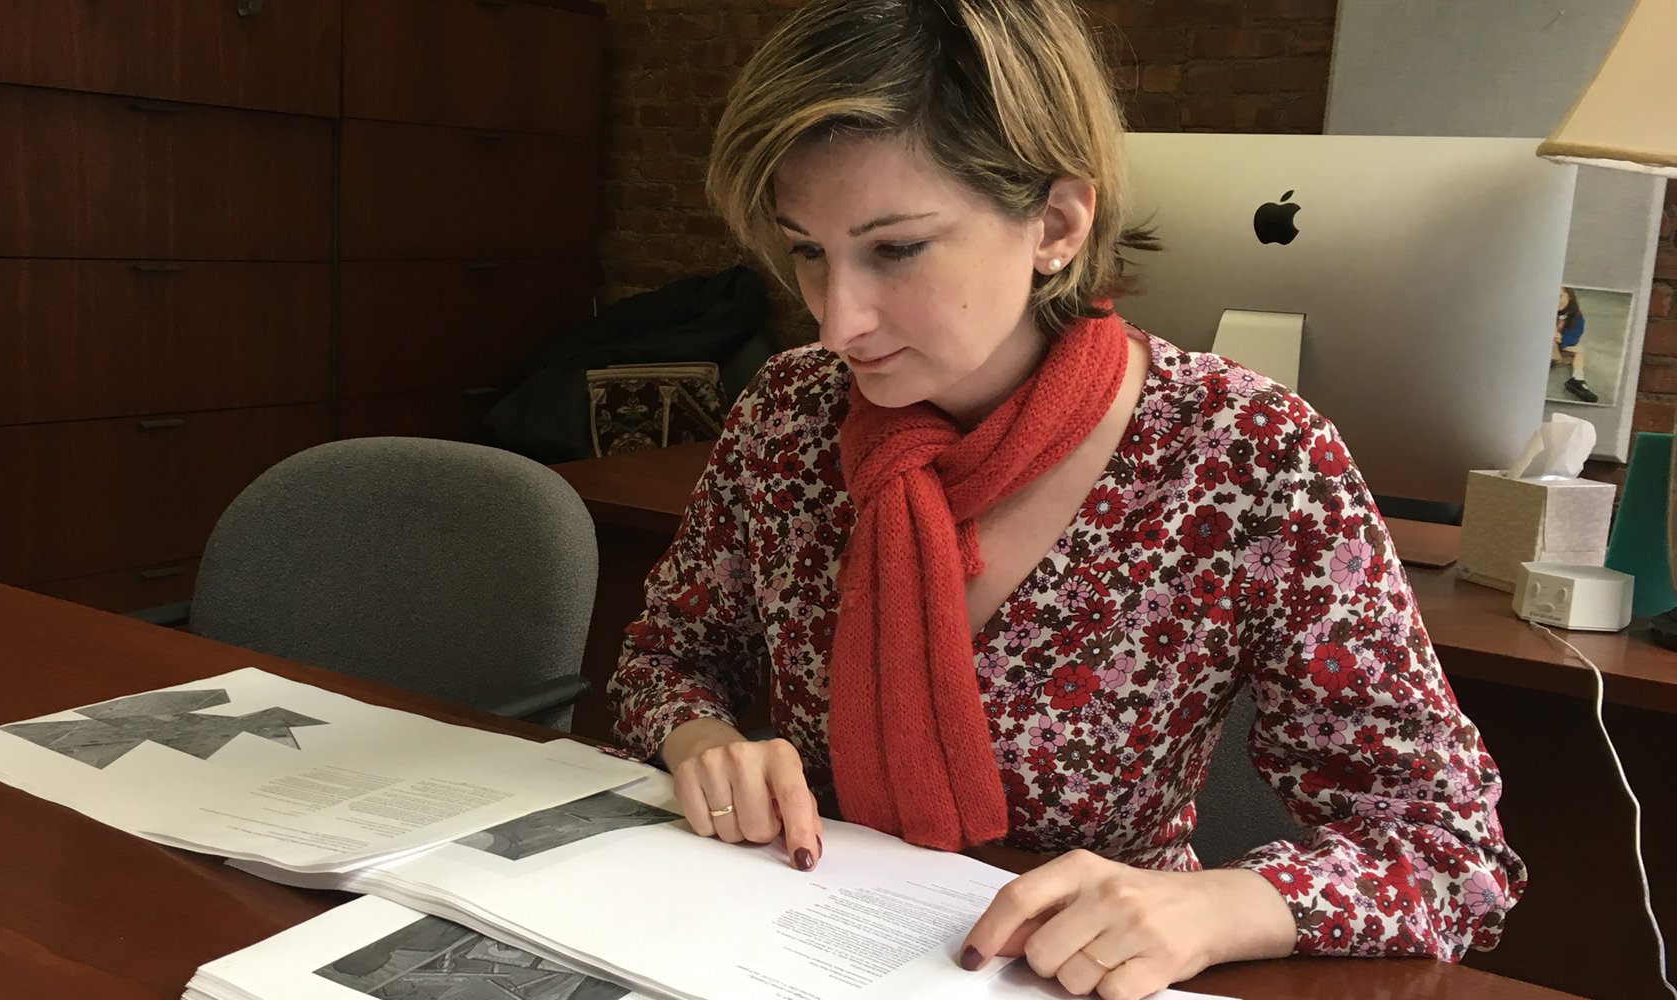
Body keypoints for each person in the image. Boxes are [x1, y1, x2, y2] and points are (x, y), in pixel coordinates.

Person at [605, 2, 1522, 998]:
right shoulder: (789, 414)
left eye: (895, 249)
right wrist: (700, 739)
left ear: (1054, 222)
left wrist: (1216, 904)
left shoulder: (1246, 457)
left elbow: (1447, 848)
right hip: (771, 945)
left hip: (1075, 978)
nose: (837, 320)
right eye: (805, 250)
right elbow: (667, 655)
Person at [1555, 287, 1597, 402]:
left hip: (1557, 347)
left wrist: (1562, 339)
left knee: (1579, 351)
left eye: (1560, 297)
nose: (1556, 301)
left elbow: (1575, 335)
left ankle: (1577, 380)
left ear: (1569, 296)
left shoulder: (1576, 315)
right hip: (1538, 347)